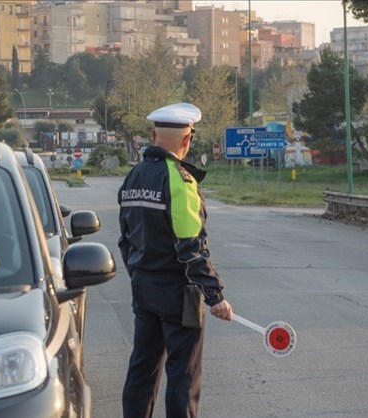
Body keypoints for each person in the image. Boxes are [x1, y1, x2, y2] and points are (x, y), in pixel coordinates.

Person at [118, 102, 233, 418]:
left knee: (142, 369)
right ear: (187, 140)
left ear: (153, 135)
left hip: (144, 288)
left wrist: (141, 274)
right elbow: (191, 248)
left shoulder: (133, 177)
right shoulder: (181, 181)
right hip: (178, 295)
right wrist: (215, 296)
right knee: (183, 375)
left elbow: (125, 241)